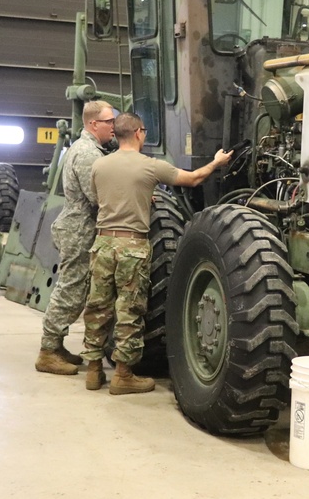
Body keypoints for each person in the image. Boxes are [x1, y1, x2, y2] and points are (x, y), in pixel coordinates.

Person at [82, 112, 233, 394]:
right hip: (132, 247)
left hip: (102, 244)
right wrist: (217, 161)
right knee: (129, 310)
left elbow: (100, 197)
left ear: (116, 134)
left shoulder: (99, 165)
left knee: (98, 307)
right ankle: (123, 375)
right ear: (139, 133)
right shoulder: (150, 167)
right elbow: (194, 179)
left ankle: (92, 372)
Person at [34, 100, 117, 375]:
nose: (113, 127)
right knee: (71, 290)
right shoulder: (87, 154)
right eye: (109, 122)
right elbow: (98, 195)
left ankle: (55, 347)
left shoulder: (92, 150)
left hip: (80, 228)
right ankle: (47, 351)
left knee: (75, 290)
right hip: (79, 230)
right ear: (94, 124)